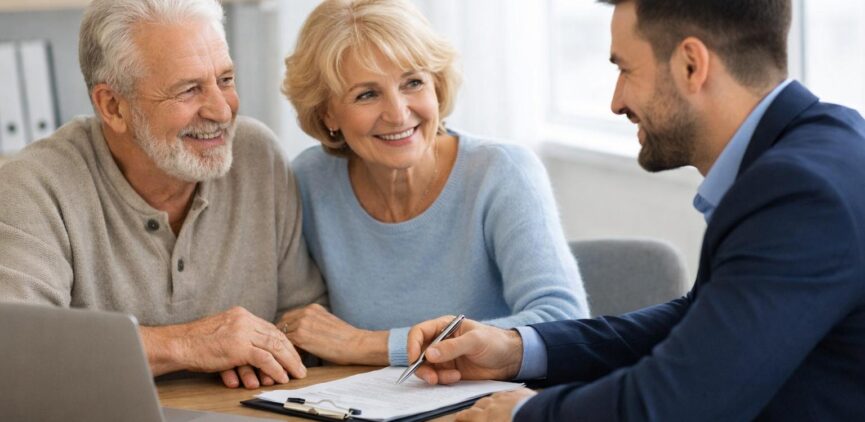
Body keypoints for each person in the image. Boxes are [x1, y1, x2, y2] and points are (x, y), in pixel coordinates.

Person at [406, 0, 865, 420]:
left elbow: (676, 404)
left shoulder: (799, 195)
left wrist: (525, 415)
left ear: (691, 64)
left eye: (626, 69)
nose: (616, 101)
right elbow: (700, 320)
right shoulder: (826, 139)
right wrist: (516, 348)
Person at [0, 0, 325, 390]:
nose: (222, 111)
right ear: (113, 106)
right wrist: (190, 344)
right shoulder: (33, 186)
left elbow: (304, 316)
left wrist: (271, 345)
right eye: (189, 90)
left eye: (225, 79)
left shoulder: (258, 156)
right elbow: (16, 351)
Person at [277, 0, 589, 367]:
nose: (397, 113)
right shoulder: (309, 181)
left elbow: (564, 322)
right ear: (328, 111)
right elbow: (305, 328)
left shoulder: (501, 172)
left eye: (413, 83)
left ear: (437, 86)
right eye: (367, 94)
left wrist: (368, 345)